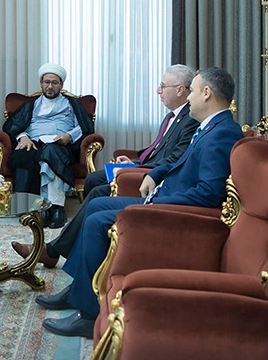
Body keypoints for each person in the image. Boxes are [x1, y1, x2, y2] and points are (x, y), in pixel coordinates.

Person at [38, 67, 244, 338]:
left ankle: (89, 316)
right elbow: (182, 162)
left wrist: (159, 202)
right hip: (165, 196)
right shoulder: (212, 126)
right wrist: (156, 173)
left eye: (192, 91)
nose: (189, 97)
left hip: (174, 210)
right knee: (96, 206)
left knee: (98, 220)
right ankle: (79, 290)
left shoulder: (222, 133)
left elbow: (209, 193)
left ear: (206, 93)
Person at [11, 64, 199, 268]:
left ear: (180, 90)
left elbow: (175, 158)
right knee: (92, 179)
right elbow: (160, 150)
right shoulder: (174, 116)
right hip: (142, 167)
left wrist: (137, 168)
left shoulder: (189, 119)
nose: (158, 91)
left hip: (152, 176)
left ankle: (55, 247)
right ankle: (83, 241)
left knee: (95, 191)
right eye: (46, 82)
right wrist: (135, 162)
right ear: (41, 83)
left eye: (162, 86)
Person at [3, 63, 95, 229]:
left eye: (54, 83)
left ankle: (54, 207)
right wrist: (22, 137)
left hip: (60, 144)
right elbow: (13, 125)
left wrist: (69, 136)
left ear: (61, 84)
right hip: (34, 143)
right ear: (41, 83)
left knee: (51, 152)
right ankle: (34, 206)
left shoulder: (71, 104)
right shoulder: (32, 104)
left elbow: (84, 126)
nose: (50, 86)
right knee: (24, 156)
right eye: (47, 82)